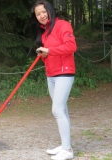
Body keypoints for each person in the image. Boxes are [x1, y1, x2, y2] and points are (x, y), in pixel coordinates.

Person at [30, 1, 77, 160]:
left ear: (50, 11)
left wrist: (49, 50)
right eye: (38, 14)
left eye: (44, 12)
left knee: (57, 110)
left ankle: (67, 151)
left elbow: (71, 46)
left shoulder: (63, 25)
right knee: (62, 110)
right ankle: (65, 145)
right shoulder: (44, 33)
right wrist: (44, 55)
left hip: (65, 73)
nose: (42, 15)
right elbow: (49, 56)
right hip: (51, 75)